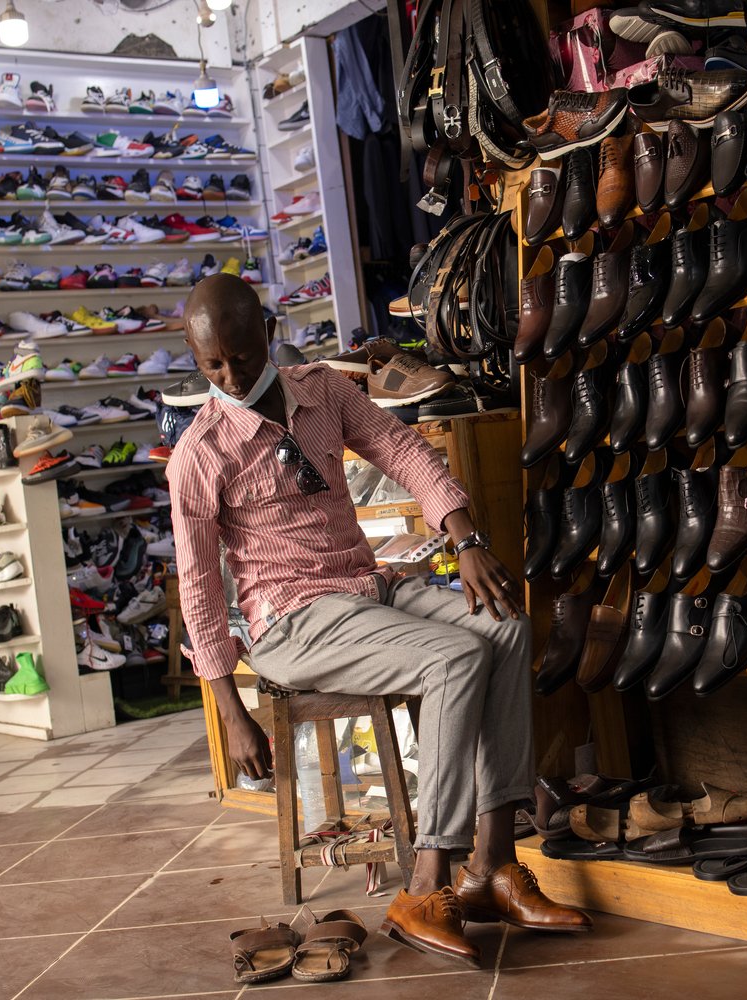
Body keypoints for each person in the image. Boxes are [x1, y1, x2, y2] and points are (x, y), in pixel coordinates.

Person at [169, 275, 590, 967]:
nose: (229, 374)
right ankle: (427, 883)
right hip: (291, 622)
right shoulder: (199, 453)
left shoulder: (325, 390)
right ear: (194, 355)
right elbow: (197, 589)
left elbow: (403, 452)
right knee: (454, 657)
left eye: (241, 356)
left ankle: (492, 866)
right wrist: (228, 707)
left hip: (368, 589)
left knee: (503, 624)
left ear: (267, 332)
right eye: (211, 364)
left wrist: (465, 540)